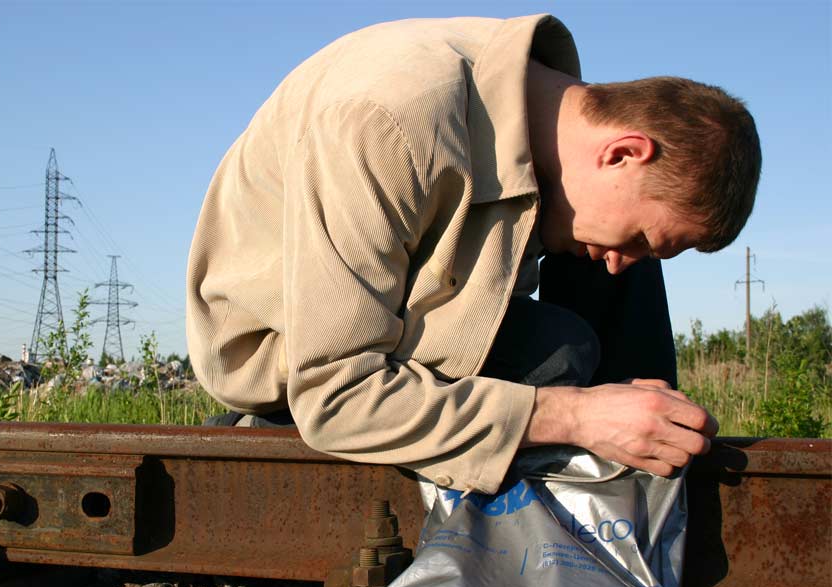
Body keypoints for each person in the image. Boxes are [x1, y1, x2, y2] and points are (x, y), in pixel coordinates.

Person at [185, 14, 761, 494]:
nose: (624, 254)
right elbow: (336, 397)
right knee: (558, 354)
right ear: (623, 153)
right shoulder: (390, 123)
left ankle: (644, 473)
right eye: (642, 236)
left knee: (620, 278)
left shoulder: (541, 103)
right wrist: (576, 414)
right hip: (290, 353)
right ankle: (265, 421)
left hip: (397, 306)